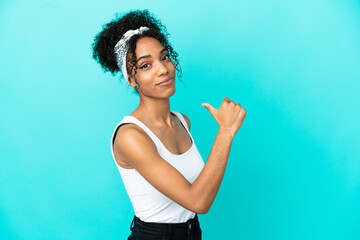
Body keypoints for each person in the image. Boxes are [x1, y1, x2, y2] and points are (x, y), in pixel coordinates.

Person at [91, 9, 246, 240]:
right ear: (132, 80)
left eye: (164, 57)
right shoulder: (130, 136)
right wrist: (225, 131)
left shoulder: (183, 122)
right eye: (145, 65)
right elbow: (198, 201)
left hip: (192, 232)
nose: (163, 69)